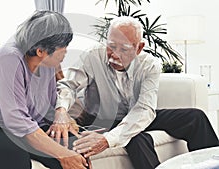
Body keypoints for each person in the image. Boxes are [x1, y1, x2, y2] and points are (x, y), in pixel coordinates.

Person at [51, 16, 219, 169]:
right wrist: (61, 111)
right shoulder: (93, 56)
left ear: (139, 48)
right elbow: (68, 85)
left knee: (196, 118)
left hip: (138, 114)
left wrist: (107, 140)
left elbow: (144, 110)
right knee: (137, 139)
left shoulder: (150, 65)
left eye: (124, 49)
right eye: (111, 46)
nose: (115, 54)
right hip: (104, 119)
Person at [0, 10, 89, 169]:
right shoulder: (9, 58)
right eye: (63, 47)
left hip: (22, 128)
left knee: (75, 146)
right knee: (13, 156)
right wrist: (62, 154)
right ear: (40, 51)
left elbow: (46, 109)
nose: (66, 51)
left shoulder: (47, 65)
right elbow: (17, 121)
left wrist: (63, 120)